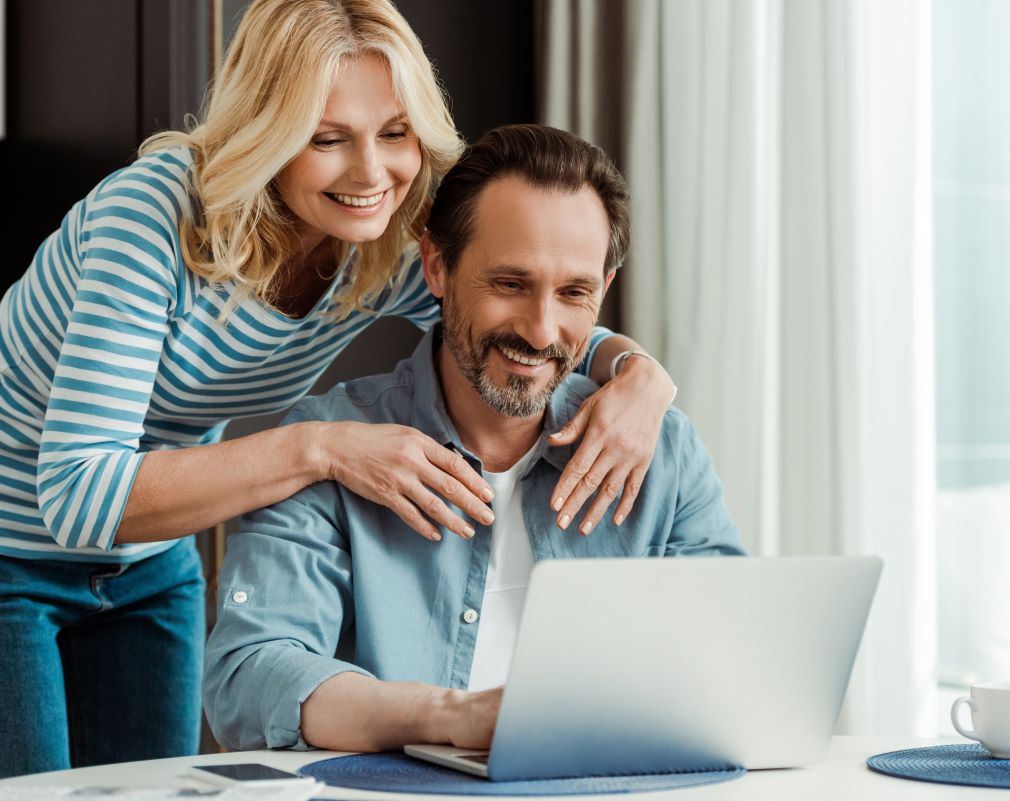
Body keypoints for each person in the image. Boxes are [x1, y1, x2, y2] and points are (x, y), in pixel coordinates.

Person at [0, 0, 676, 778]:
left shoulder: (383, 240)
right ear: (266, 131)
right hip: (13, 551)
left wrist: (639, 375)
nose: (371, 173)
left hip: (152, 557)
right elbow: (78, 495)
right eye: (327, 138)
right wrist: (321, 447)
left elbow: (519, 322)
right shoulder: (150, 220)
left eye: (395, 133)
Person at [202, 124, 744, 752]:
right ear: (437, 266)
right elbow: (250, 677)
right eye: (510, 285)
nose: (541, 332)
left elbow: (731, 659)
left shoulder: (661, 447)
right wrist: (443, 716)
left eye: (574, 293)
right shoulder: (327, 446)